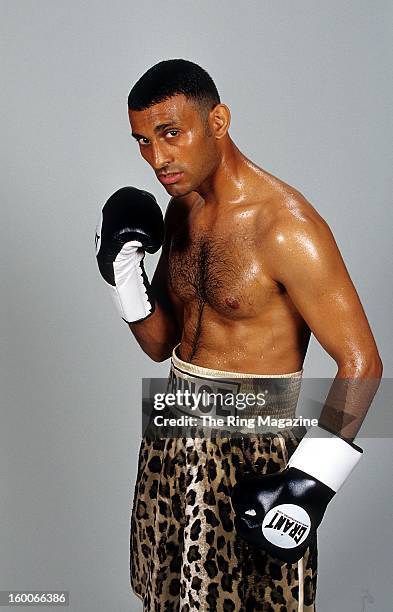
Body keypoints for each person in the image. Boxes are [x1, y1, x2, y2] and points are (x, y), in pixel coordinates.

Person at [95, 59, 382, 611]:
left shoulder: (286, 226)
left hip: (253, 452)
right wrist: (121, 276)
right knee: (165, 596)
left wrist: (306, 486)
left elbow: (362, 362)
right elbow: (160, 344)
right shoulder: (181, 211)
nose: (158, 158)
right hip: (173, 432)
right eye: (143, 141)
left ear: (218, 121)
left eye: (170, 134)